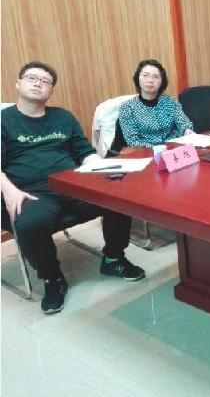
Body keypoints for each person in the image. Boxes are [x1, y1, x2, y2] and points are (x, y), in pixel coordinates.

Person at [1, 62, 145, 315]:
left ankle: (114, 258)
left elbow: (84, 152)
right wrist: (9, 190)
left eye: (45, 81)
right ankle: (52, 278)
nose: (37, 84)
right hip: (30, 190)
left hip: (72, 183)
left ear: (51, 91)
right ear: (18, 83)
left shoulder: (63, 117)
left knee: (119, 197)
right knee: (31, 223)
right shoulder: (4, 121)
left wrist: (103, 169)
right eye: (31, 78)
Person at [118, 59, 193, 146]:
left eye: (156, 77)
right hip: (146, 151)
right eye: (145, 75)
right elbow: (133, 141)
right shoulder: (127, 108)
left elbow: (184, 123)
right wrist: (158, 149)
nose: (150, 80)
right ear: (137, 78)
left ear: (162, 82)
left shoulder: (171, 102)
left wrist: (187, 131)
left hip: (174, 148)